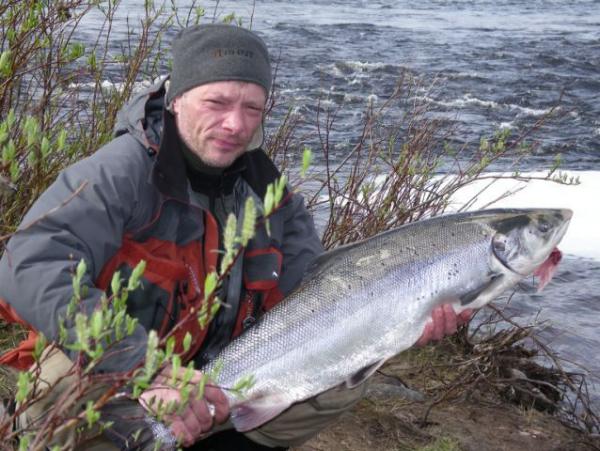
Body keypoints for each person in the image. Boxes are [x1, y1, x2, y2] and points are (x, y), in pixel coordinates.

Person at [0, 24, 470, 449]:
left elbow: (315, 299)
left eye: (252, 108)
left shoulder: (271, 195)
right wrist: (149, 370)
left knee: (340, 377)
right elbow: (29, 266)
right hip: (127, 373)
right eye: (217, 102)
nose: (236, 125)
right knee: (61, 376)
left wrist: (402, 318)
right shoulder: (117, 174)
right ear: (176, 97)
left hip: (223, 374)